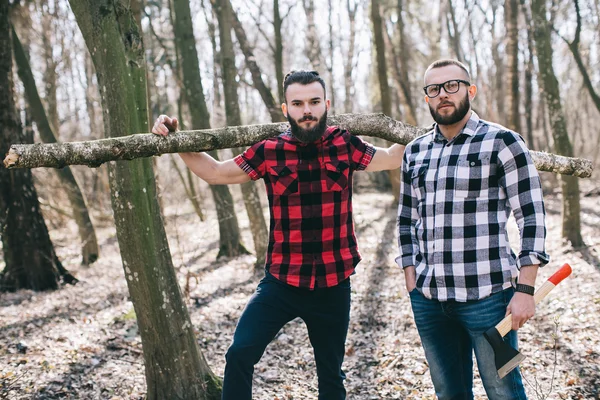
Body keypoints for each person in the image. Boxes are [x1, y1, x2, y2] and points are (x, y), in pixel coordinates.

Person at [152, 70, 404, 400]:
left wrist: (421, 131)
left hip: (333, 283)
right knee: (239, 354)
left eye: (314, 102)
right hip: (283, 281)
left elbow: (388, 159)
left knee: (331, 376)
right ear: (285, 109)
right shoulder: (269, 151)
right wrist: (175, 140)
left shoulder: (345, 144)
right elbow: (214, 172)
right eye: (297, 104)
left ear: (326, 104)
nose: (307, 110)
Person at [396, 59, 549, 400]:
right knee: (448, 392)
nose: (443, 95)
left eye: (452, 85)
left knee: (505, 389)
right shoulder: (416, 152)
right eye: (433, 89)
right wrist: (410, 273)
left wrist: (525, 288)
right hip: (430, 301)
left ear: (470, 90)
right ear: (427, 98)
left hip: (490, 299)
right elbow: (406, 217)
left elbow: (532, 216)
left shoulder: (502, 141)